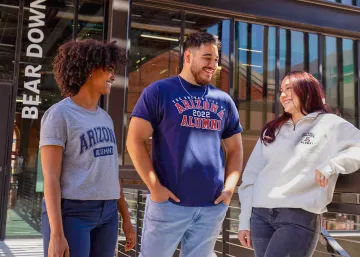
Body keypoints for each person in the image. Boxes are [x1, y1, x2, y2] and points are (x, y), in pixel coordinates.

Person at [126, 32, 243, 257]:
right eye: (207, 58)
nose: (213, 65)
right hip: (168, 205)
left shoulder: (224, 100)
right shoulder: (159, 91)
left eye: (216, 60)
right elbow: (134, 140)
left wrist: (229, 189)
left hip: (211, 207)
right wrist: (155, 188)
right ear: (188, 56)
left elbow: (235, 149)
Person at [237, 71, 360, 257]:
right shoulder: (272, 129)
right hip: (260, 215)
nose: (283, 95)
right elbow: (251, 177)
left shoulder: (330, 124)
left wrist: (331, 165)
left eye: (289, 89)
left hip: (299, 216)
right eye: (281, 90)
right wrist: (244, 220)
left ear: (307, 91)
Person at [40, 39, 136, 257]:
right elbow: (51, 177)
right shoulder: (59, 115)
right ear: (89, 70)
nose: (113, 76)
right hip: (73, 213)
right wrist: (56, 234)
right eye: (109, 69)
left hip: (108, 213)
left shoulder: (106, 119)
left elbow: (111, 172)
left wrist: (126, 217)